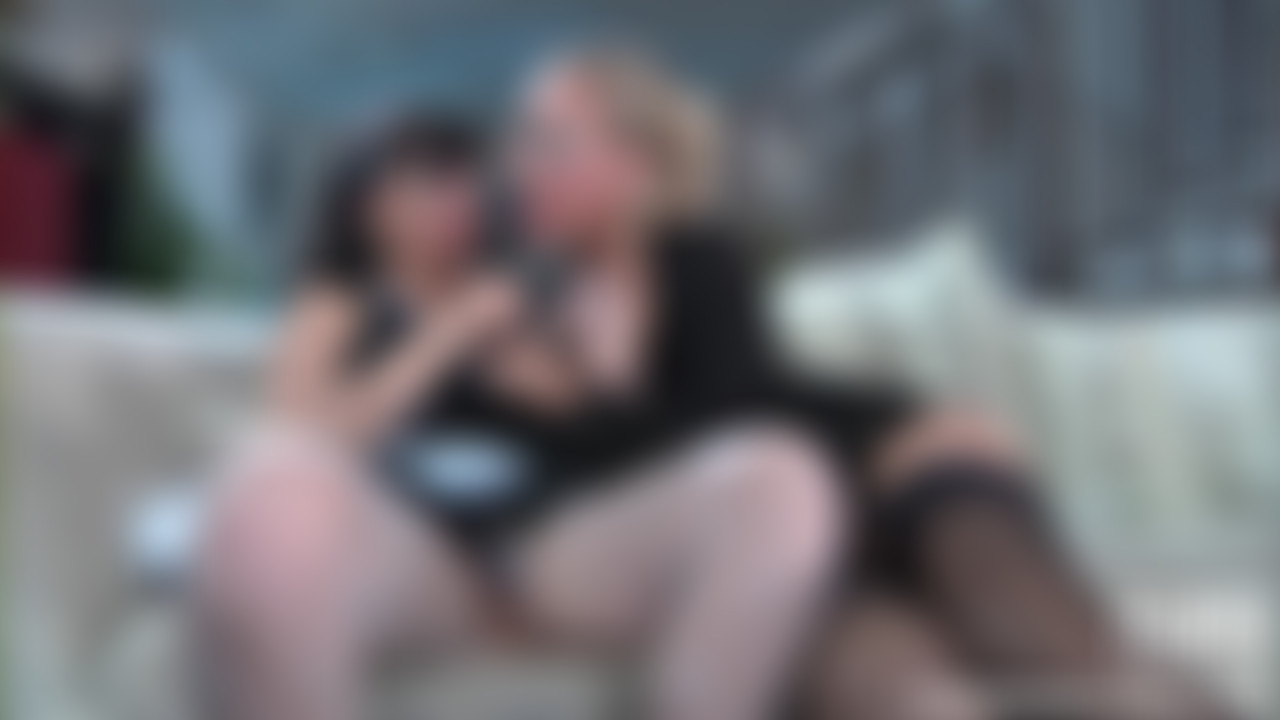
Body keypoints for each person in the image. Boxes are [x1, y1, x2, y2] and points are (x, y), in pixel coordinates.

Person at [195, 50, 849, 720]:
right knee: (272, 498)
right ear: (367, 203)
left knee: (781, 476)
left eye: (464, 181)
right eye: (425, 184)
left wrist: (603, 362)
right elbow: (304, 432)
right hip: (411, 551)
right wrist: (447, 335)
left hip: (546, 549)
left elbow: (596, 431)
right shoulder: (344, 299)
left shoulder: (524, 289)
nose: (455, 201)